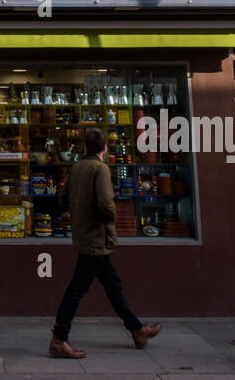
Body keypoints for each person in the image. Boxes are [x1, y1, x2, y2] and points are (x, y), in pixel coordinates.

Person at [49, 126, 161, 359]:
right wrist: (111, 219)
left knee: (112, 285)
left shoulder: (76, 167)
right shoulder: (100, 169)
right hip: (97, 237)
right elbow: (106, 204)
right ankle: (59, 339)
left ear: (85, 147)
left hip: (84, 235)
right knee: (77, 289)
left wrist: (79, 213)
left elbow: (62, 199)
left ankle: (137, 329)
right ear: (105, 147)